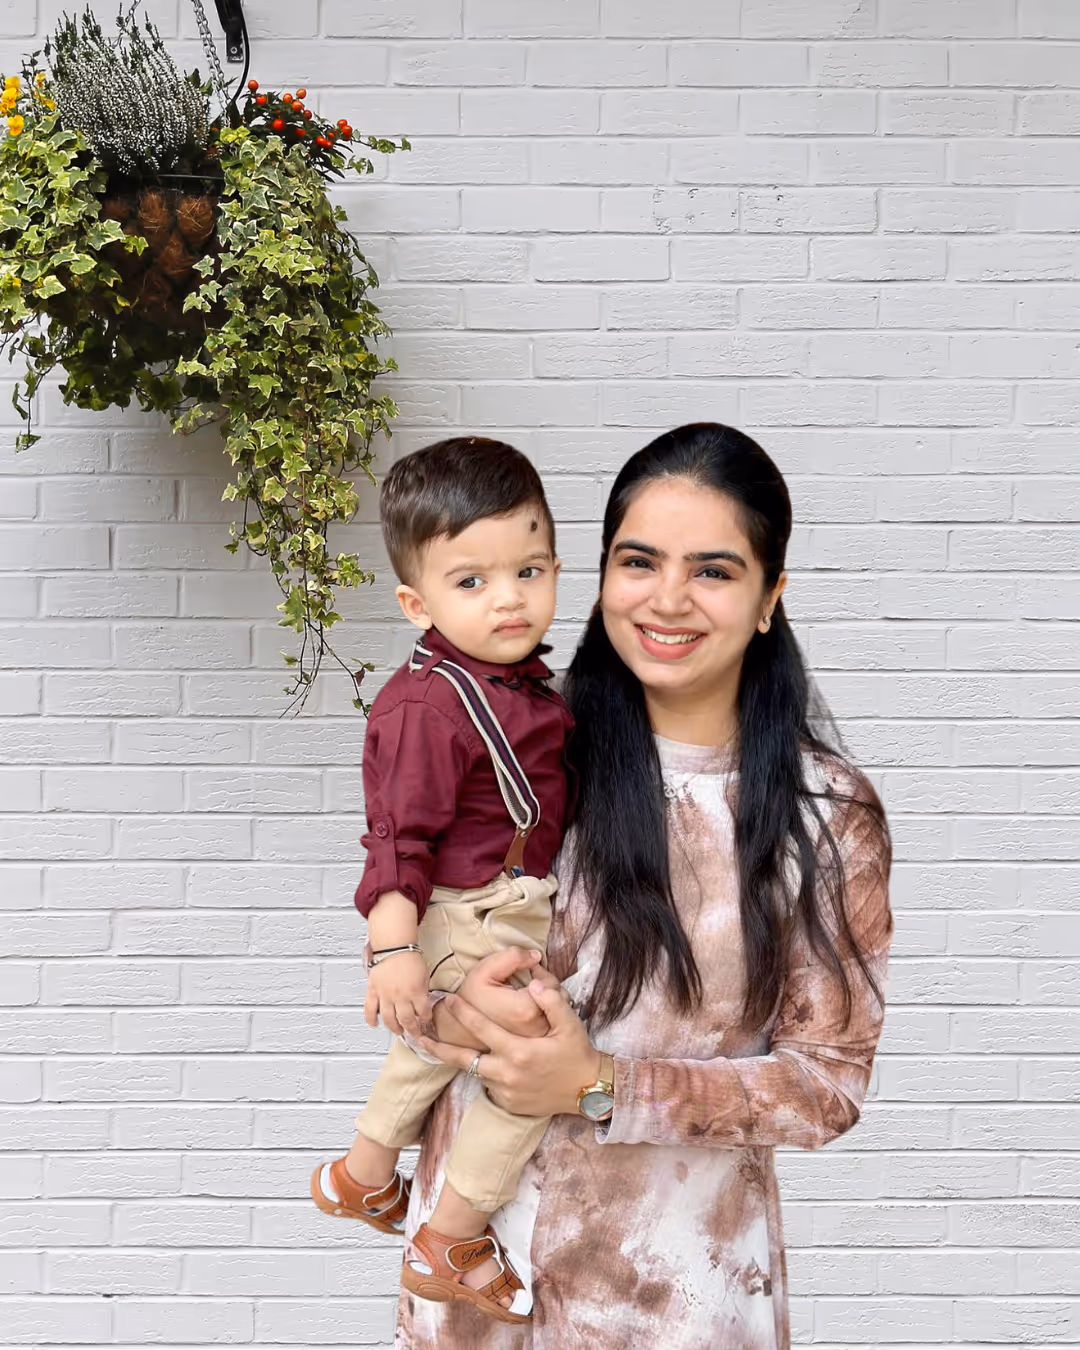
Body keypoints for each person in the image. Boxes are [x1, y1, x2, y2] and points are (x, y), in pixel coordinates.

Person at [396, 422, 894, 1349]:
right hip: (473, 1291)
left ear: (767, 598)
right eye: (638, 561)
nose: (668, 599)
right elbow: (406, 972)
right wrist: (449, 1009)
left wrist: (600, 1084)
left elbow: (826, 1084)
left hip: (677, 1295)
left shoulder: (824, 811)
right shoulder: (512, 754)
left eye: (713, 570)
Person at [310, 437, 574, 1324]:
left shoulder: (515, 682)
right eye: (471, 582)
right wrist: (390, 950)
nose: (508, 597)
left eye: (528, 569)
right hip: (477, 913)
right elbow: (398, 837)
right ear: (416, 602)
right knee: (528, 1060)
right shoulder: (432, 703)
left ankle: (363, 1173)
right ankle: (453, 1237)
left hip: (491, 906)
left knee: (429, 1040)